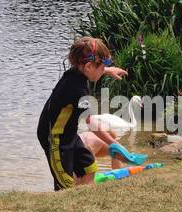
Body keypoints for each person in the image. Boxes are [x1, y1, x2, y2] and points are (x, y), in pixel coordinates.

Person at [36, 36, 133, 189]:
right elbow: (92, 123)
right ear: (88, 66)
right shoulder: (78, 90)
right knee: (65, 184)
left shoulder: (76, 72)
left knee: (89, 167)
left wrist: (107, 70)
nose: (102, 71)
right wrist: (116, 144)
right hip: (54, 138)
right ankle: (66, 204)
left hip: (69, 134)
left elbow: (92, 67)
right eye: (101, 68)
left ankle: (83, 199)